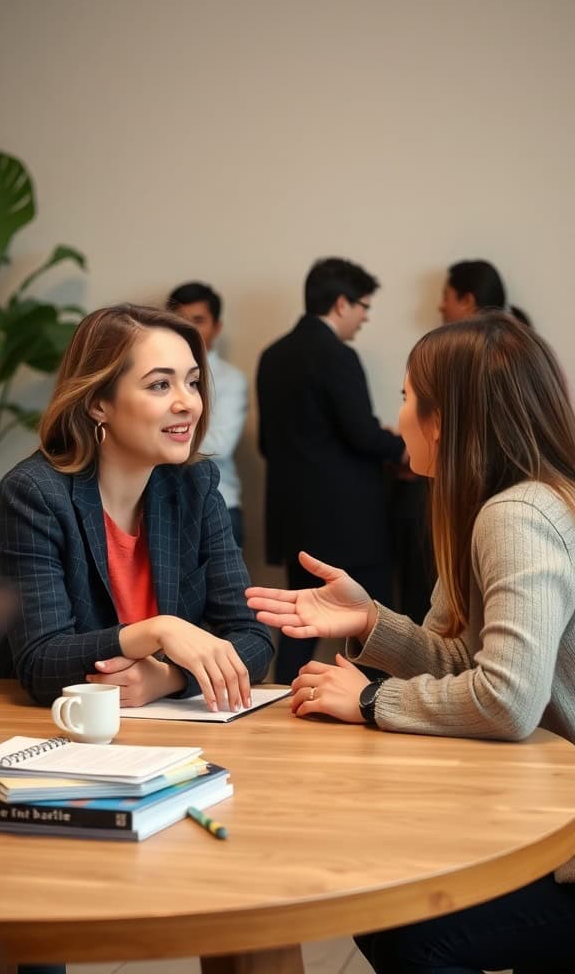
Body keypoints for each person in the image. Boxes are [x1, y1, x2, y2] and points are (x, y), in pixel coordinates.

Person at [247, 311, 575, 973]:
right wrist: (371, 621)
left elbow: (507, 699)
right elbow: (467, 663)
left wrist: (371, 701)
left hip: (562, 841)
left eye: (404, 399)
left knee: (394, 921)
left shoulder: (516, 517)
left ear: (444, 419)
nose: (397, 417)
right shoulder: (499, 503)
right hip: (552, 816)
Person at [0, 304, 273, 712]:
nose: (188, 404)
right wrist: (156, 632)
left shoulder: (197, 486)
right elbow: (40, 664)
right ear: (98, 403)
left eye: (193, 382)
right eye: (160, 385)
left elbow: (253, 639)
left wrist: (169, 679)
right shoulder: (34, 494)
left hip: (173, 740)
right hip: (66, 740)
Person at [256, 256, 405, 684]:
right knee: (375, 628)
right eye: (363, 307)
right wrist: (403, 448)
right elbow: (362, 435)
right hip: (350, 523)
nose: (364, 318)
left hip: (296, 521)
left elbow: (268, 443)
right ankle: (374, 707)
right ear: (342, 303)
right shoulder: (337, 355)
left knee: (298, 627)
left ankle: (283, 702)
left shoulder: (272, 356)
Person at [166, 282, 248, 547]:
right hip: (160, 500)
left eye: (198, 320)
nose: (188, 329)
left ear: (217, 327)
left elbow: (219, 444)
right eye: (179, 321)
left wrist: (160, 436)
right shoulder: (152, 374)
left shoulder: (230, 379)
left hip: (218, 501)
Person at [439, 257, 532, 325]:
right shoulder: (507, 343)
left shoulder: (477, 350)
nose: (440, 306)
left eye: (446, 298)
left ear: (467, 301)